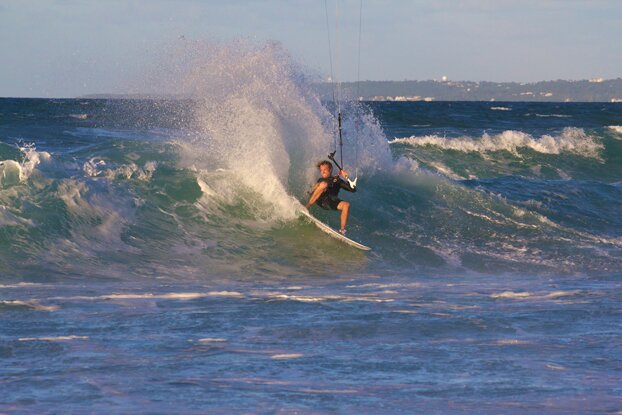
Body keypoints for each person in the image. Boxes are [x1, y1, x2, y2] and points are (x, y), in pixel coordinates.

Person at [305, 160, 356, 235]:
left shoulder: (338, 180)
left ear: (330, 170)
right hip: (320, 200)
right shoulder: (321, 180)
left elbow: (353, 190)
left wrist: (346, 178)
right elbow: (314, 189)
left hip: (331, 203)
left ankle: (342, 231)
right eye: (321, 170)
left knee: (346, 205)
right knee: (324, 184)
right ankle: (307, 207)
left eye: (325, 170)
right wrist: (312, 189)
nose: (322, 172)